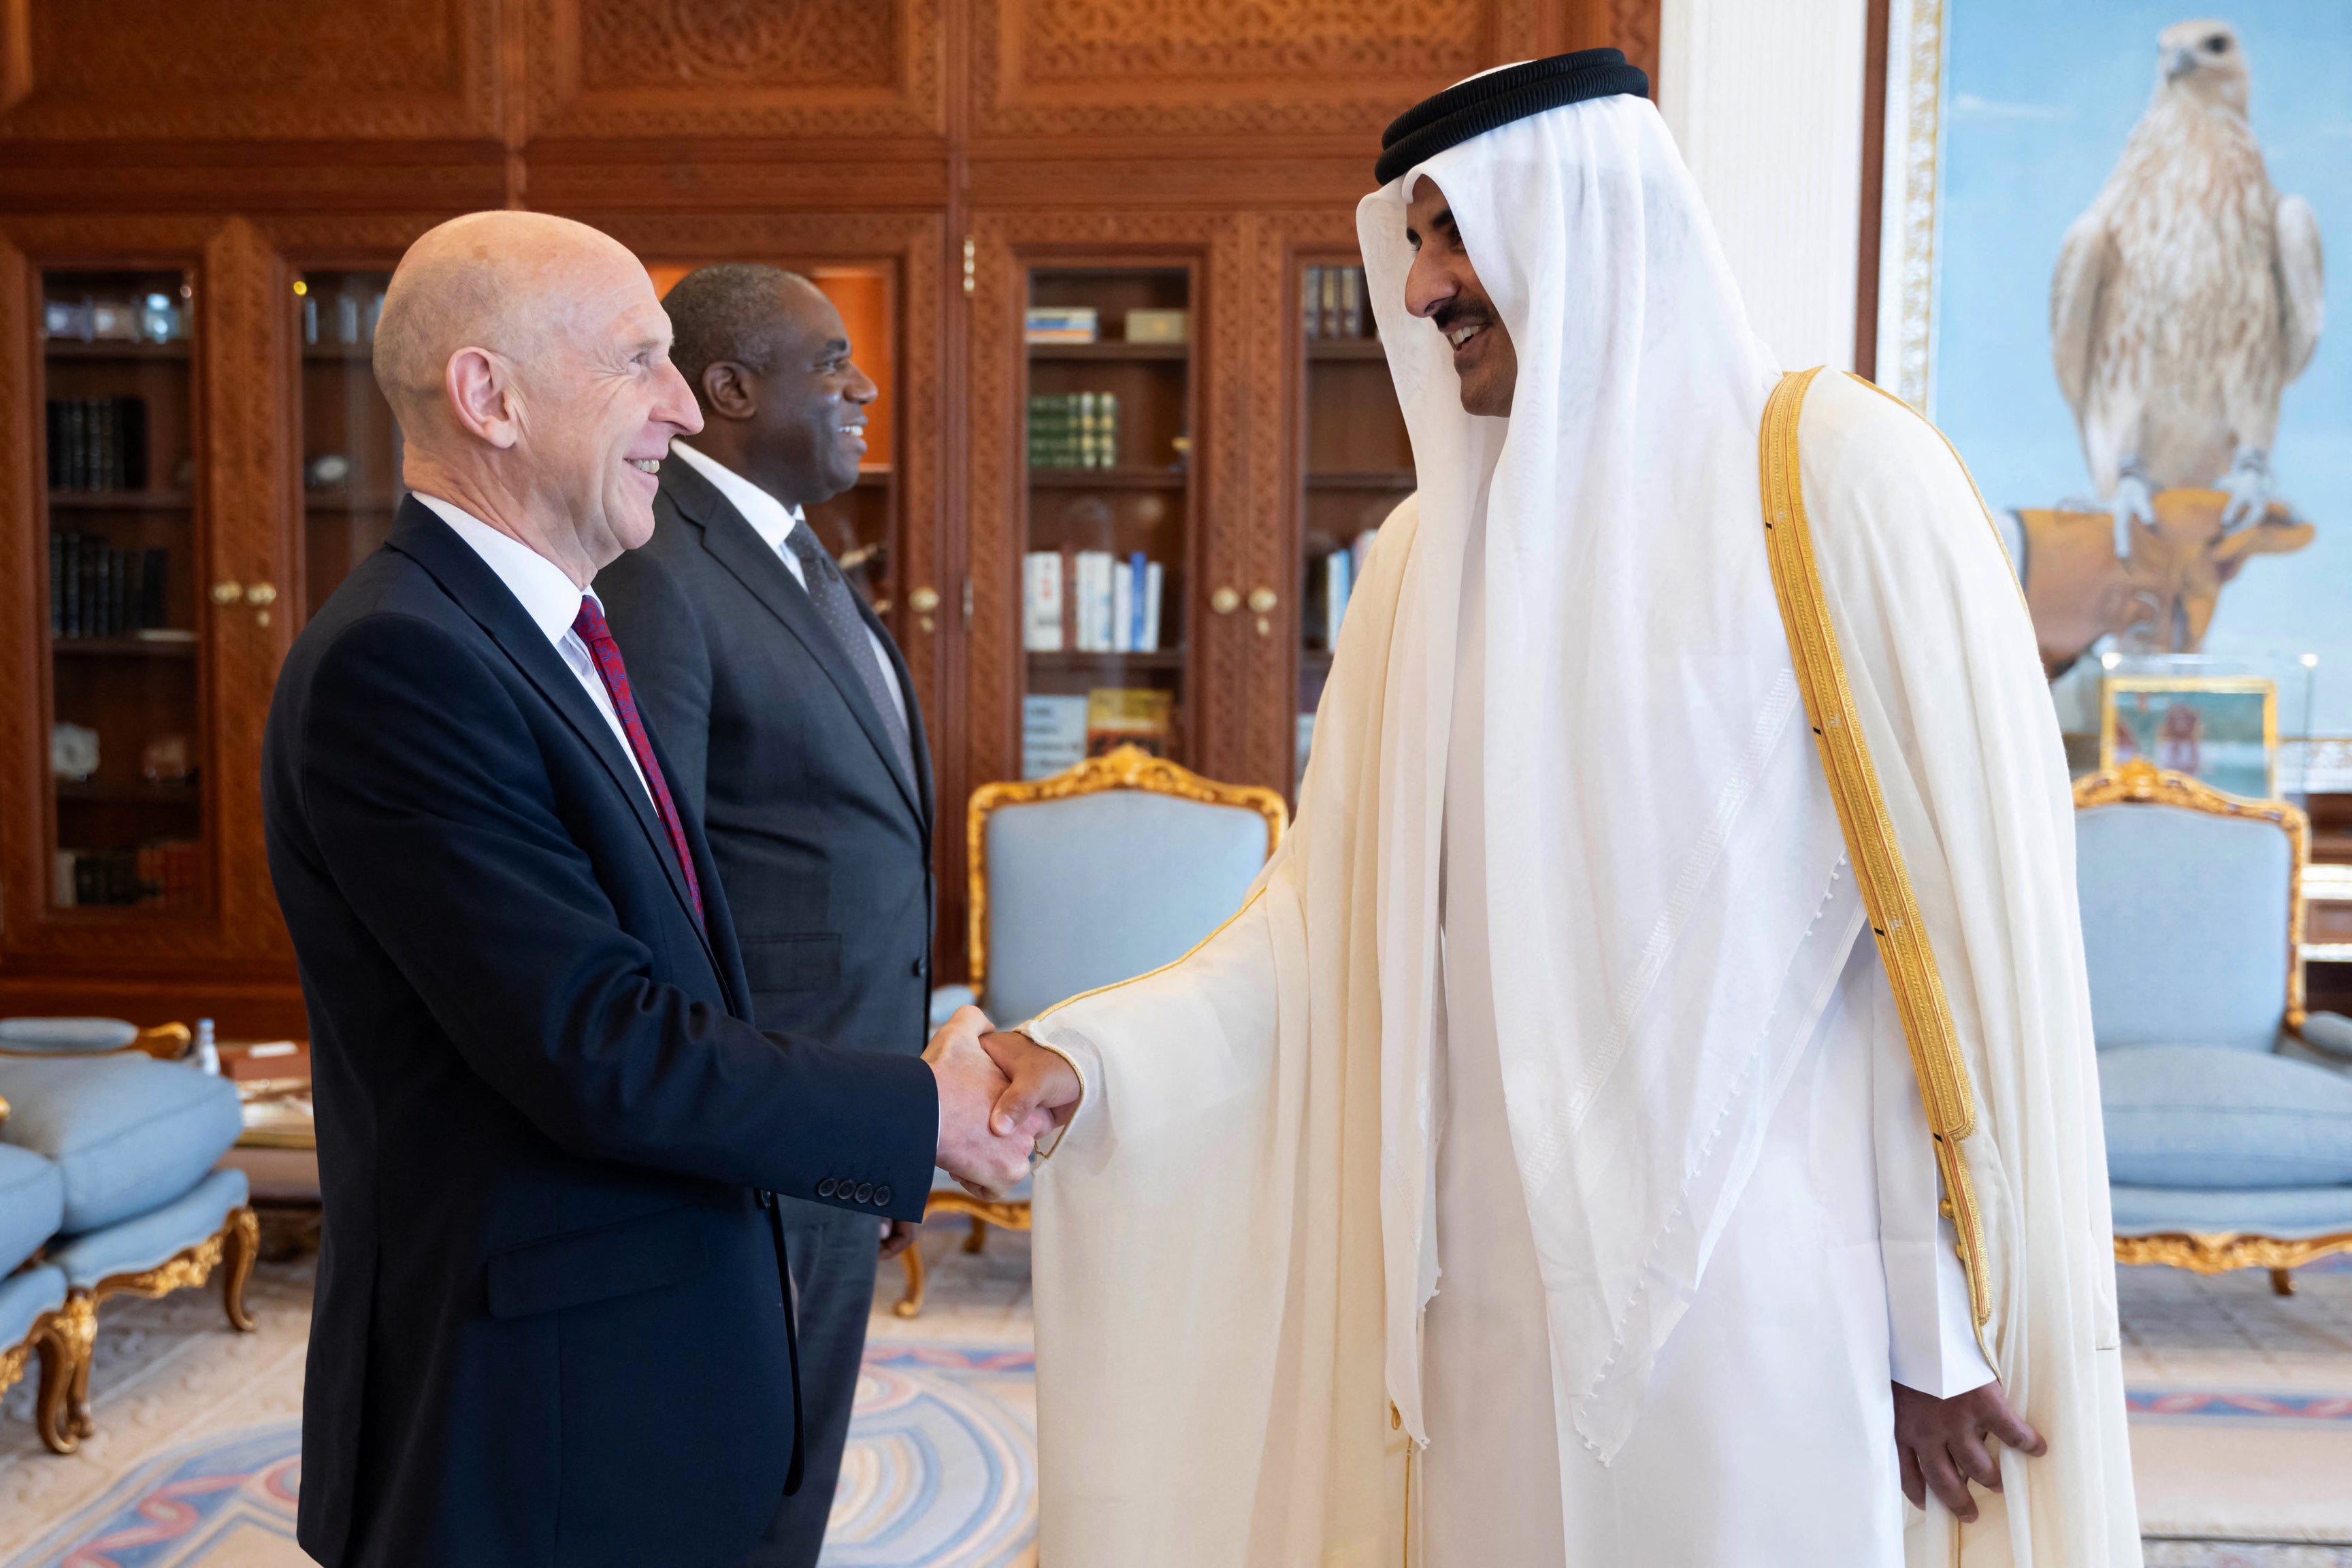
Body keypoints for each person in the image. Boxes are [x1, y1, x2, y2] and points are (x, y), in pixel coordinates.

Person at [975, 52, 2140, 1567]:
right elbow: (1324, 928)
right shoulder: (1415, 564)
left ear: (1584, 226)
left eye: (1455, 237)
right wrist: (1095, 1058)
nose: (1423, 290)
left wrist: (1934, 1320)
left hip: (1768, 1300)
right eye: (1414, 240)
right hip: (1478, 1303)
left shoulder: (1836, 489)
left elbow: (1919, 955)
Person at [261, 210, 1034, 1568]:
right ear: (487, 396)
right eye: (640, 363)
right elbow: (595, 1044)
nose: (683, 410)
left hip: (640, 1355)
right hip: (539, 1407)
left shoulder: (551, 627)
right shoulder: (404, 664)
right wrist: (919, 1111)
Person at [595, 263, 933, 1568]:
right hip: (762, 1118)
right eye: (832, 360)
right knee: (738, 1465)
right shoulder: (660, 563)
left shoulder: (789, 548)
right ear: (729, 388)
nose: (864, 386)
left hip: (846, 1088)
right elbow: (662, 879)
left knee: (802, 1447)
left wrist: (890, 1105)